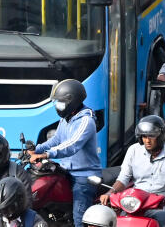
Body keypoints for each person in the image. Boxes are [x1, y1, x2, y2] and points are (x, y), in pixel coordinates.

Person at [26, 80, 101, 227]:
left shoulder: (86, 120)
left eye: (60, 102)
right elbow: (57, 139)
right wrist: (38, 149)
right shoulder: (66, 118)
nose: (57, 106)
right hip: (66, 171)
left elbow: (72, 145)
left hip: (84, 176)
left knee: (79, 219)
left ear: (72, 101)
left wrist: (46, 155)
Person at [101, 116, 165, 227]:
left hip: (162, 205)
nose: (147, 140)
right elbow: (123, 178)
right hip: (134, 203)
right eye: (144, 136)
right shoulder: (133, 150)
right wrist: (110, 193)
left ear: (161, 136)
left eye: (151, 136)